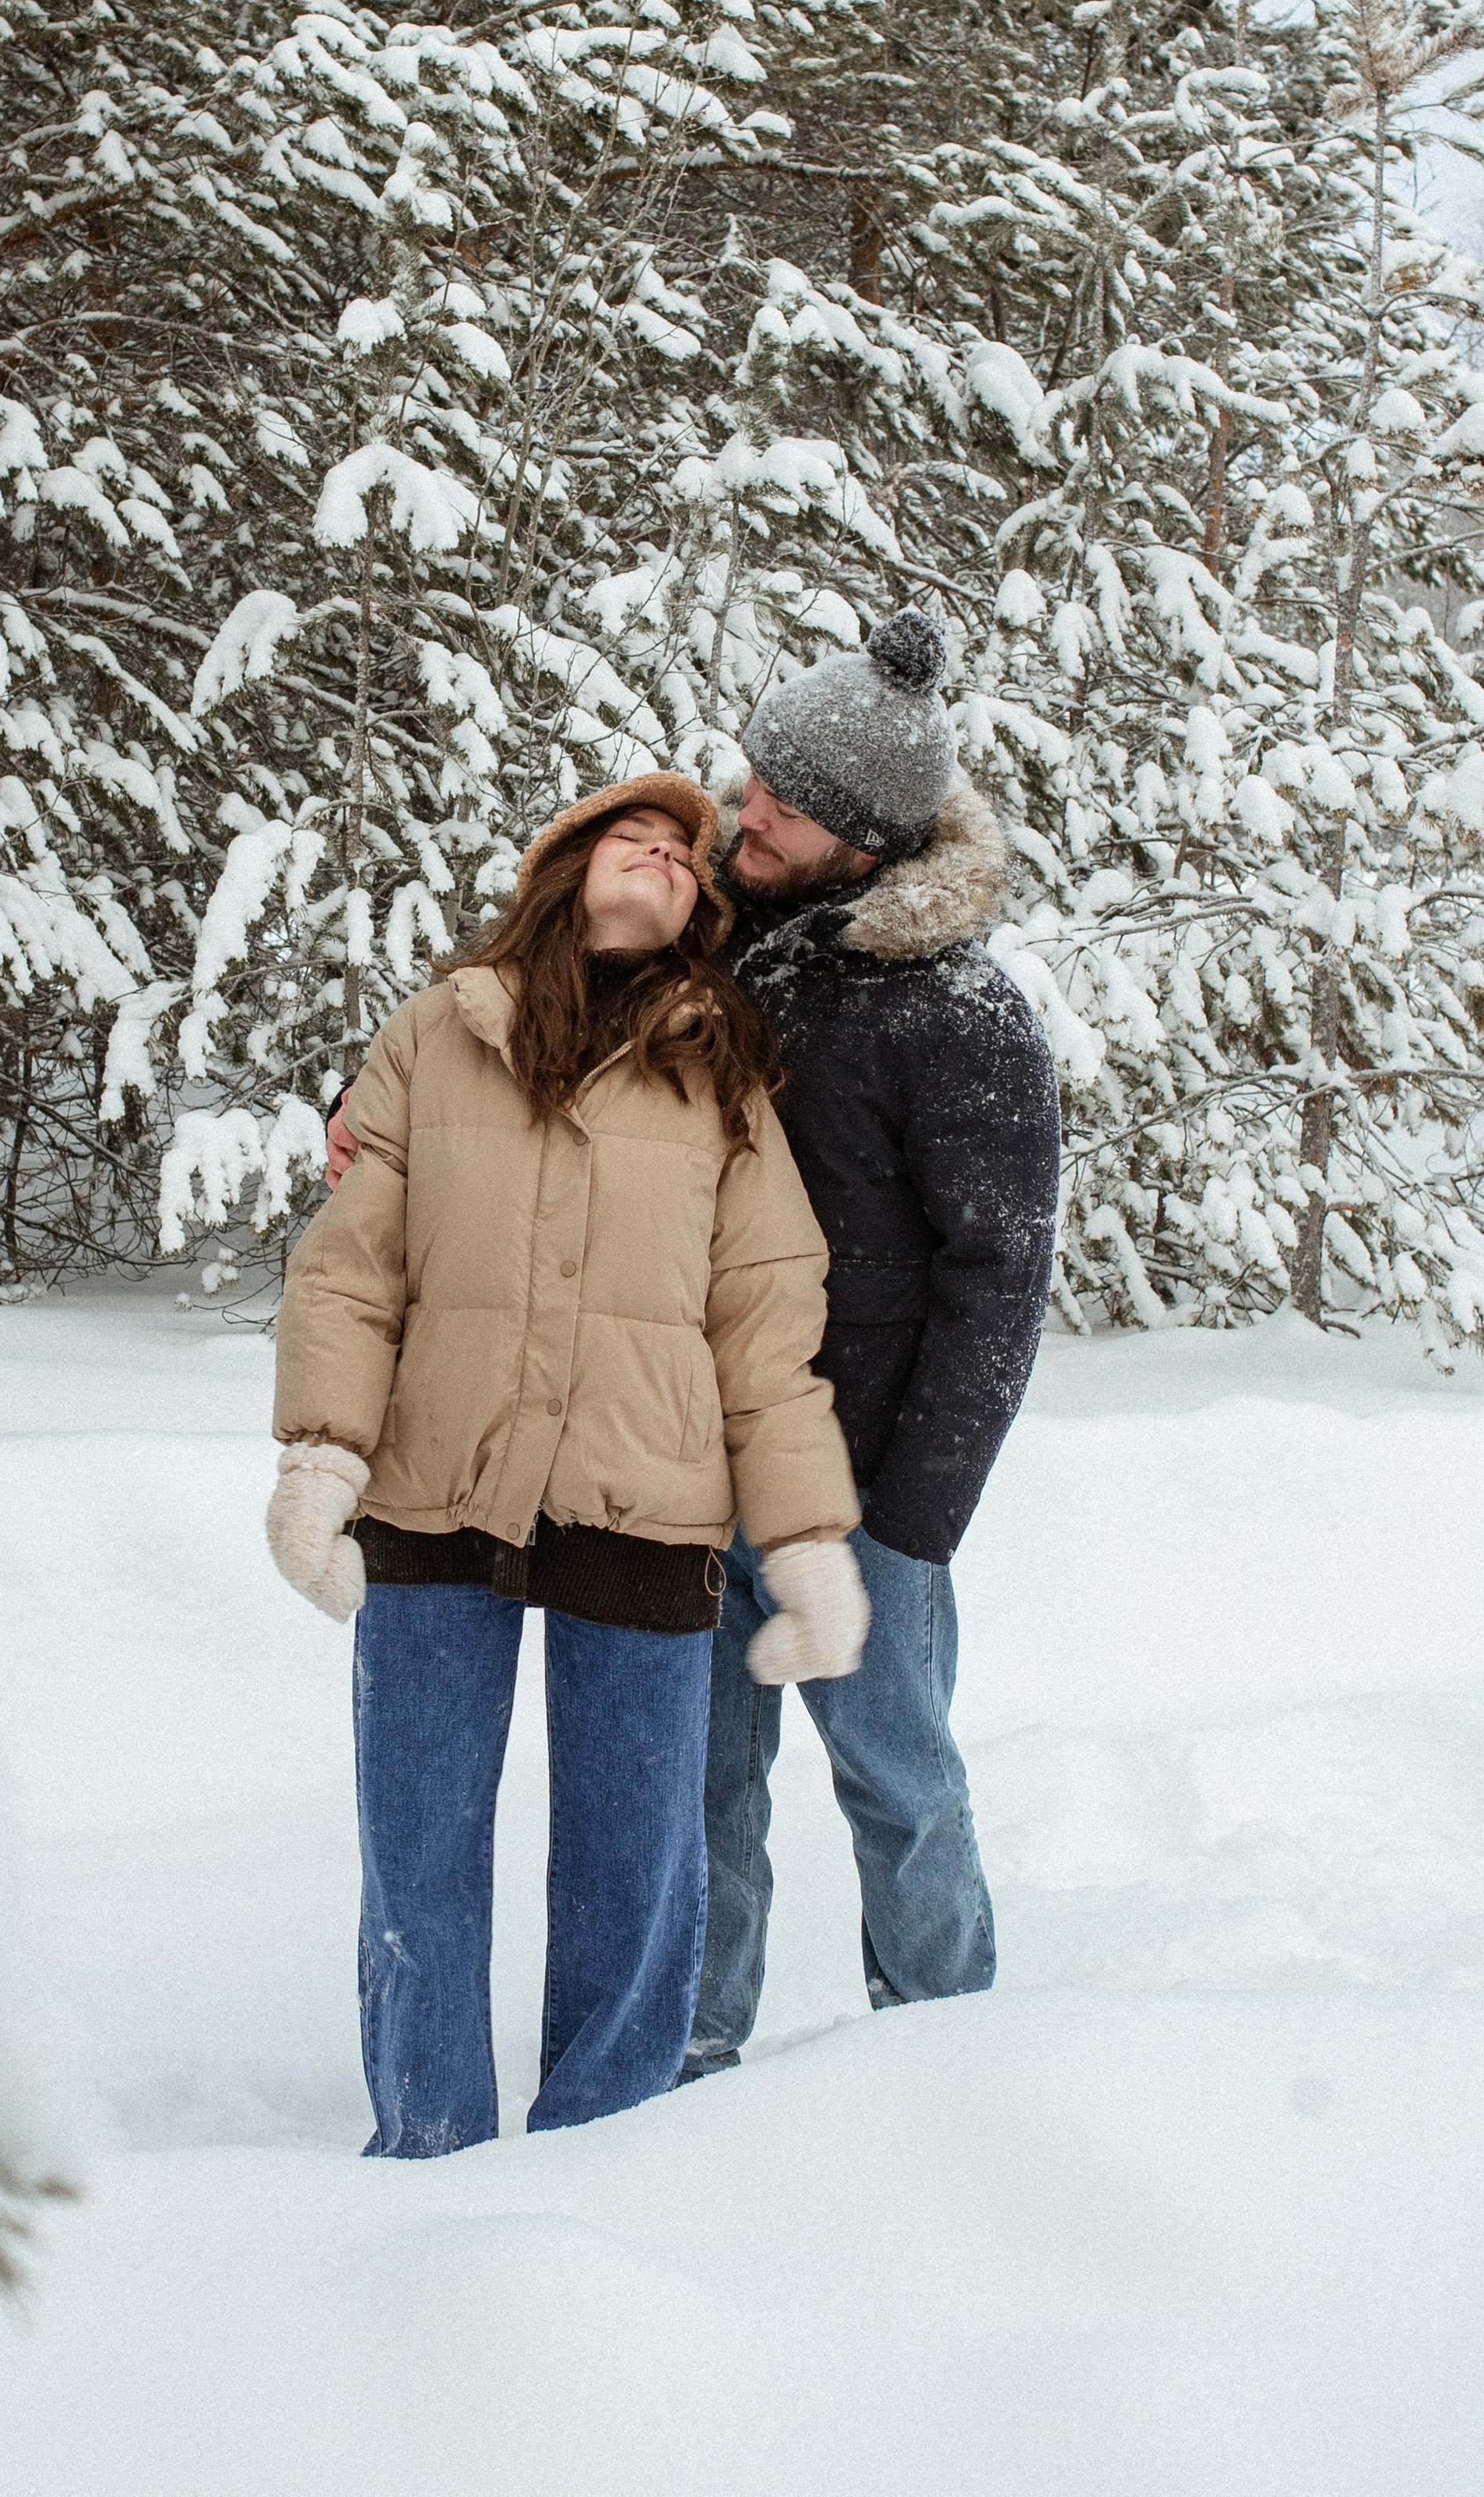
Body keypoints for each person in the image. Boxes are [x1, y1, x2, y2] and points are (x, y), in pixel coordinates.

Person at [269, 778, 868, 2158]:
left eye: (681, 855)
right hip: (436, 1485)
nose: (657, 856)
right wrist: (319, 1453)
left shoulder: (723, 1069)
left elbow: (767, 1320)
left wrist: (807, 1535)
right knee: (417, 1850)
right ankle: (428, 2148)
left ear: (700, 909)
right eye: (629, 836)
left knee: (635, 1869)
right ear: (565, 866)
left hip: (645, 1500)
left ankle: (605, 2162)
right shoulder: (433, 1032)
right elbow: (353, 1268)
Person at [685, 607, 1060, 2066]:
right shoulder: (721, 939)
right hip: (693, 1457)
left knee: (894, 1777)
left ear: (869, 839)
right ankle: (689, 2051)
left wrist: (911, 1520)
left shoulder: (962, 1014)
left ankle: (944, 2050)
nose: (746, 810)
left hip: (857, 1496)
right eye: (756, 777)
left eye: (786, 803)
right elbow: (535, 989)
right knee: (703, 1787)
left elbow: (1001, 1284)